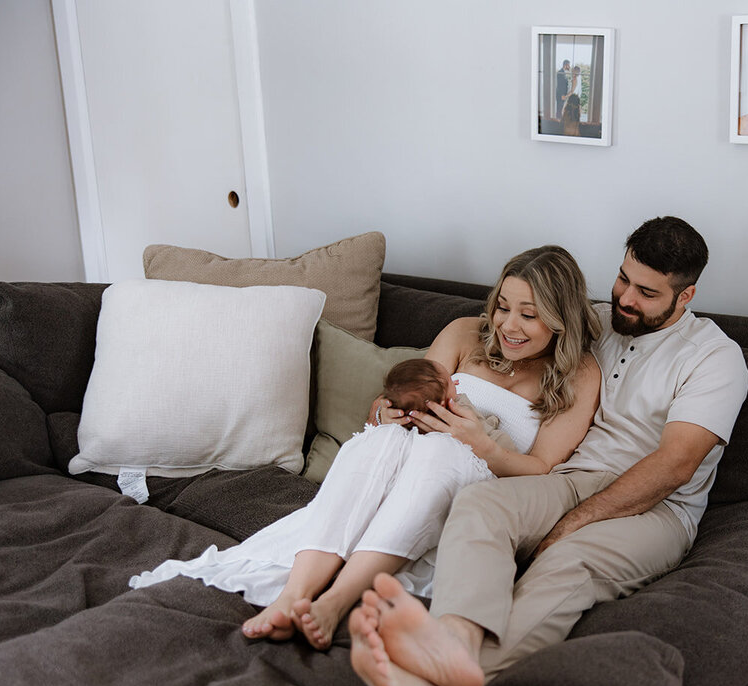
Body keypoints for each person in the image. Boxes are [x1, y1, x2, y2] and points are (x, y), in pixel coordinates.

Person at [348, 216, 748, 686]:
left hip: (657, 508)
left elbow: (675, 465)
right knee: (479, 505)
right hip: (569, 476)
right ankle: (452, 645)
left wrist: (572, 523)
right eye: (623, 278)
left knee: (566, 561)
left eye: (647, 292)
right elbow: (511, 331)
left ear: (686, 294)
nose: (625, 299)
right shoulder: (595, 320)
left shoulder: (716, 359)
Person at [129, 245, 602, 650]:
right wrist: (386, 412)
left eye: (529, 314)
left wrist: (480, 444)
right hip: (403, 448)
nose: (508, 325)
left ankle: (335, 602)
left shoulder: (580, 374)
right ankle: (295, 593)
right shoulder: (464, 333)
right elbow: (396, 395)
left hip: (476, 471)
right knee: (377, 441)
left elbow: (541, 468)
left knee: (441, 454)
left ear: (560, 320)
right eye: (503, 306)